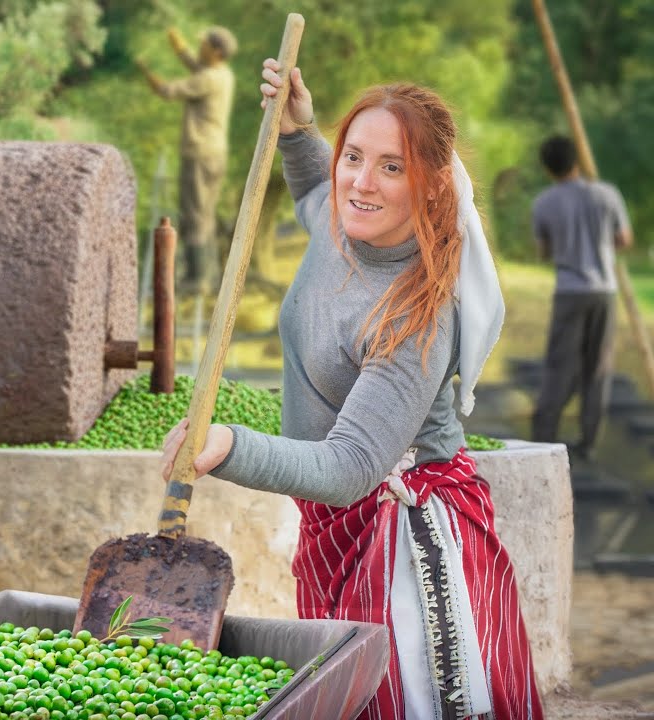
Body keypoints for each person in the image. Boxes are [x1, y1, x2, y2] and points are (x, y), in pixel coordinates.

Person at [160, 60, 543, 718]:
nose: (362, 183)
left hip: (407, 534)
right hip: (333, 523)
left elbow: (350, 467)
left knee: (397, 702)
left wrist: (226, 445)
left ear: (430, 188)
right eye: (354, 157)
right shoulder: (343, 223)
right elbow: (319, 194)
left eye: (392, 167)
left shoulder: (416, 316)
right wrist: (296, 130)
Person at [529, 135, 632, 461]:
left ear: (548, 168)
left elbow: (544, 252)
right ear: (577, 161)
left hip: (570, 292)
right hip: (604, 291)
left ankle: (544, 438)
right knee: (597, 368)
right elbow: (624, 240)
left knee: (560, 365)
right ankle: (587, 442)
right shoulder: (607, 194)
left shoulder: (543, 203)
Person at [136, 25, 236, 292]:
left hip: (199, 154)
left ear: (215, 51)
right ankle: (204, 274)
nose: (199, 47)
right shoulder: (221, 74)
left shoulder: (208, 79)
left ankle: (197, 278)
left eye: (203, 43)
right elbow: (196, 65)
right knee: (204, 212)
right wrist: (178, 48)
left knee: (194, 214)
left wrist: (144, 70)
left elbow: (167, 91)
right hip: (214, 153)